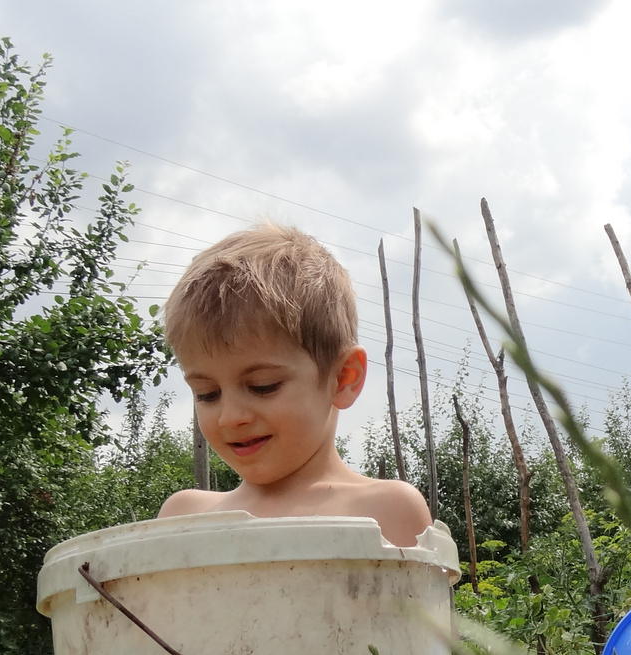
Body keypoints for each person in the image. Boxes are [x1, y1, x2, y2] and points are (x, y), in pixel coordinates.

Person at [156, 224, 432, 546]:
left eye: (263, 386)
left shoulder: (385, 511)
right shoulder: (183, 517)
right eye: (207, 394)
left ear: (344, 378)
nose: (229, 417)